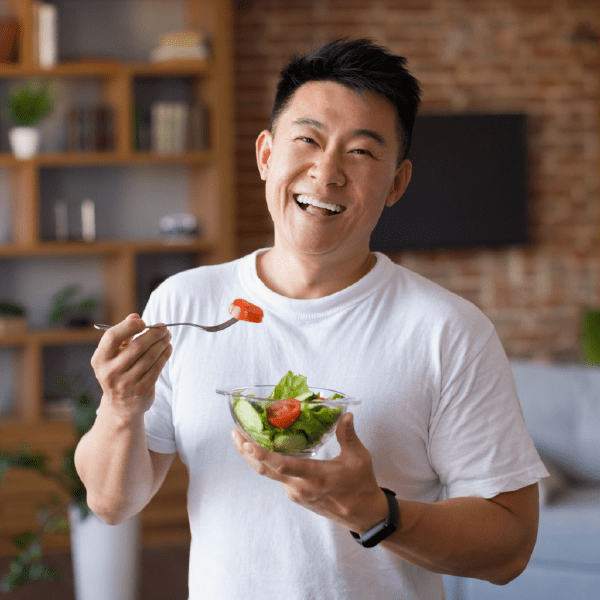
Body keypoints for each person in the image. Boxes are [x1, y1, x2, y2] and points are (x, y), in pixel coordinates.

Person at [75, 38, 548, 600]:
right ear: (265, 155)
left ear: (397, 183)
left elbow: (511, 546)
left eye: (362, 152)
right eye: (308, 139)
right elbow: (111, 501)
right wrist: (121, 406)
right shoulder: (184, 304)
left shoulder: (449, 331)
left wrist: (375, 513)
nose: (326, 173)